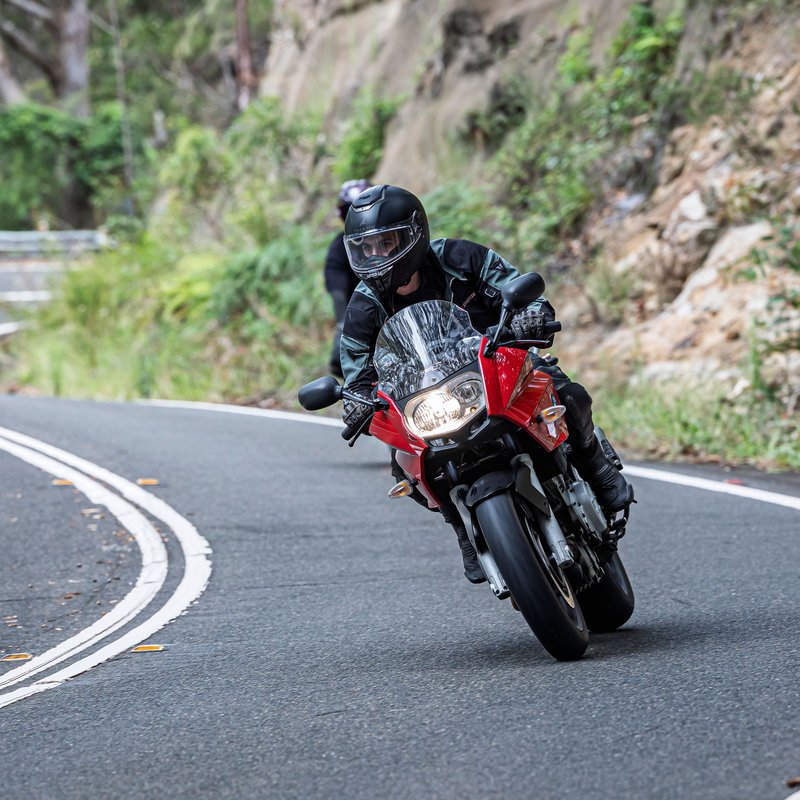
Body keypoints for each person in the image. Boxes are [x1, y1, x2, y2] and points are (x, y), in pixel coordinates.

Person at [338, 184, 634, 584]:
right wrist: (355, 400)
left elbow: (519, 289)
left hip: (498, 362)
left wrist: (531, 316)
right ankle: (461, 527)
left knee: (569, 395)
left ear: (415, 234)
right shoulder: (363, 306)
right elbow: (357, 373)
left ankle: (597, 468)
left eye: (386, 243)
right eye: (365, 248)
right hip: (426, 397)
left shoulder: (461, 257)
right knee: (404, 466)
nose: (375, 256)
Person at [324, 179, 372, 377]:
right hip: (361, 316)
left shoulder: (395, 238)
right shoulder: (339, 247)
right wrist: (344, 325)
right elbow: (337, 290)